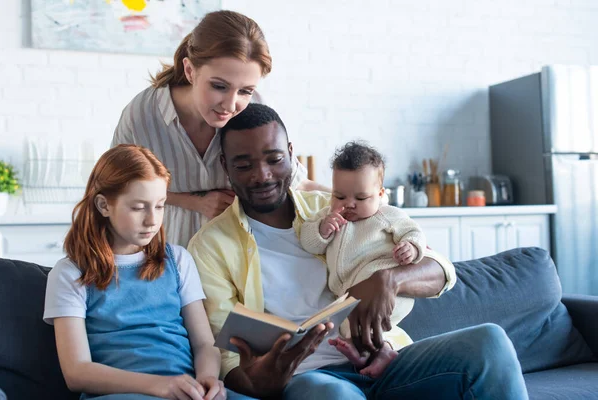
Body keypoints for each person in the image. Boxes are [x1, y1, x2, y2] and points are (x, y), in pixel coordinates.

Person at [187, 103, 529, 399]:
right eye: (244, 165)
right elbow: (228, 356)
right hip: (311, 378)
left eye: (274, 159)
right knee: (332, 394)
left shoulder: (339, 204)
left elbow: (441, 270)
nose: (262, 175)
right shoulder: (210, 246)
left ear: (291, 153)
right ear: (225, 165)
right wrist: (258, 381)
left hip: (385, 357)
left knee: (490, 342)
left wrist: (388, 279)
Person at [43, 144, 254, 400]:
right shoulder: (69, 274)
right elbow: (77, 373)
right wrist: (158, 386)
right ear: (103, 205)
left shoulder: (177, 259)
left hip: (186, 391)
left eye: (160, 206)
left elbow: (203, 343)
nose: (152, 220)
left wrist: (209, 380)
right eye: (138, 207)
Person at [111, 10, 325, 248]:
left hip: (235, 259)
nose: (231, 105)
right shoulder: (143, 114)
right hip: (162, 257)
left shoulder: (254, 110)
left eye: (246, 90)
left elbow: (297, 182)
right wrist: (193, 202)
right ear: (190, 70)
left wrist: (361, 198)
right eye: (219, 86)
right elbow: (116, 187)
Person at [300, 141, 427, 378]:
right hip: (350, 297)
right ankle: (367, 357)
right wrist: (322, 230)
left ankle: (386, 351)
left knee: (369, 322)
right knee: (348, 324)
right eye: (339, 195)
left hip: (390, 293)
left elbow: (413, 232)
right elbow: (308, 241)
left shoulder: (387, 215)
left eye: (361, 198)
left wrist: (411, 247)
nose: (348, 204)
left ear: (380, 195)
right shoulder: (329, 215)